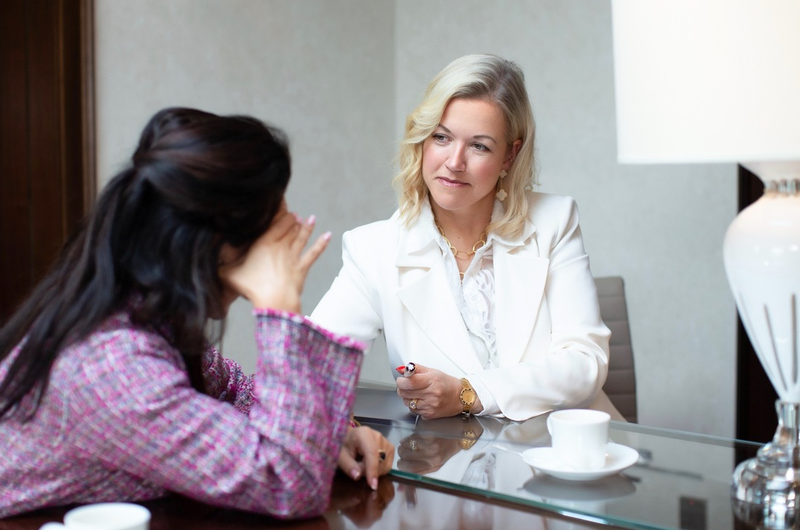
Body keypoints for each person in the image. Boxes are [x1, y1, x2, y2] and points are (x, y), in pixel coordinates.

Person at [0, 108, 393, 519]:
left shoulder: (149, 316)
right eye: (275, 229)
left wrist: (334, 437)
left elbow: (239, 395)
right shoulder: (112, 362)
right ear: (218, 242)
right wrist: (280, 308)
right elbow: (287, 483)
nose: (287, 240)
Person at [312, 54, 612, 422]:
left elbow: (585, 363)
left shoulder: (554, 221)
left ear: (509, 156)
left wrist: (468, 393)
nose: (454, 162)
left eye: (479, 146)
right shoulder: (373, 250)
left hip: (567, 457)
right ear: (422, 140)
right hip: (450, 464)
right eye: (441, 137)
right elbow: (311, 373)